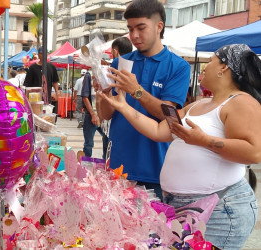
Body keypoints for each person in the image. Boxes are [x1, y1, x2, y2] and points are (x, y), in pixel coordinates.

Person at [100, 43, 260, 249]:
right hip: (183, 208)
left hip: (219, 210)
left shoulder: (240, 102)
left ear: (224, 68)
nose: (204, 67)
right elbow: (159, 131)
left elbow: (254, 152)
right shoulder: (198, 104)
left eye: (210, 61)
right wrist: (124, 107)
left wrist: (203, 140)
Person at [96, 0, 191, 199]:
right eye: (130, 29)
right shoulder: (120, 62)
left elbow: (170, 118)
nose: (134, 35)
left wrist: (136, 91)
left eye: (141, 28)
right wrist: (104, 93)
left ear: (159, 26)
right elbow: (106, 115)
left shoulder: (178, 67)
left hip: (156, 170)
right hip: (118, 168)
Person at [96, 37, 133, 155]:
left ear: (115, 51)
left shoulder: (112, 69)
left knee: (107, 156)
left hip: (114, 129)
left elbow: (103, 106)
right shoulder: (116, 66)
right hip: (121, 131)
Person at [81, 72, 108, 159]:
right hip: (91, 115)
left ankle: (105, 165)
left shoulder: (105, 72)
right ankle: (85, 165)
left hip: (104, 115)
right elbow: (85, 97)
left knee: (107, 140)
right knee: (89, 144)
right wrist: (93, 114)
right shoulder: (89, 75)